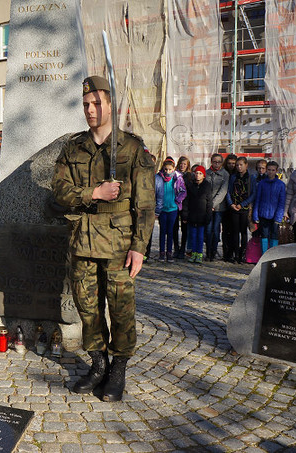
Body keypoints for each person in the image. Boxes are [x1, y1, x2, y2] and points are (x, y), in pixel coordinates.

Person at [52, 75, 155, 402]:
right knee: (88, 308)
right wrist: (92, 193)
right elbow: (59, 191)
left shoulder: (132, 148)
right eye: (86, 104)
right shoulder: (73, 147)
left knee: (122, 309)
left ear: (111, 105)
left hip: (119, 245)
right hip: (82, 241)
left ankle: (118, 369)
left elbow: (147, 204)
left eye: (97, 103)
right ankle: (98, 364)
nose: (90, 109)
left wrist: (139, 248)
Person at [226, 157, 257, 263]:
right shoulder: (233, 177)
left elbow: (253, 194)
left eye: (241, 165)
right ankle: (235, 254)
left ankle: (242, 254)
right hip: (234, 208)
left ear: (246, 165)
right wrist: (231, 204)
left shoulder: (251, 177)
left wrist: (242, 204)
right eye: (237, 165)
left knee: (243, 232)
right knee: (234, 232)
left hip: (244, 208)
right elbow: (229, 191)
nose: (239, 167)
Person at [154, 159, 186, 262]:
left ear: (173, 169)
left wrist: (177, 201)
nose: (168, 172)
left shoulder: (177, 178)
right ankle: (162, 252)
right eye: (166, 169)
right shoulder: (158, 178)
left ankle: (169, 252)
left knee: (171, 231)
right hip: (162, 208)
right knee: (162, 231)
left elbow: (183, 191)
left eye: (170, 169)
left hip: (173, 209)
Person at [253, 161, 286, 254]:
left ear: (276, 171)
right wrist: (255, 214)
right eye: (269, 170)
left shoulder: (281, 185)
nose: (271, 172)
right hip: (263, 214)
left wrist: (279, 217)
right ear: (266, 170)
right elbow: (257, 199)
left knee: (274, 235)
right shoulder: (262, 183)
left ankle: (273, 255)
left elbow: (282, 202)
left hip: (275, 215)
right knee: (264, 235)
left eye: (273, 170)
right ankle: (264, 255)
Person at [183, 165, 212, 264]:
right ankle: (193, 253)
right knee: (192, 235)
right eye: (196, 173)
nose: (198, 175)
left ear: (204, 175)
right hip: (192, 215)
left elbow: (209, 202)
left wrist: (208, 215)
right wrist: (185, 214)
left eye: (200, 173)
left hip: (202, 215)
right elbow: (186, 201)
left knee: (200, 236)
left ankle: (199, 254)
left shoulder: (207, 185)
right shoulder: (190, 185)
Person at [205, 154, 229, 261]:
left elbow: (223, 191)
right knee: (208, 230)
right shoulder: (206, 173)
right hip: (207, 206)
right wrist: (208, 205)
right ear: (211, 162)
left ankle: (214, 251)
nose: (217, 164)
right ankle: (208, 251)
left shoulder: (225, 174)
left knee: (216, 230)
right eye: (215, 162)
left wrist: (212, 205)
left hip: (219, 207)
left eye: (219, 162)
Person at [174, 156, 193, 259]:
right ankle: (176, 248)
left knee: (184, 229)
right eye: (181, 164)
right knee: (174, 227)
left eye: (184, 164)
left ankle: (182, 248)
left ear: (187, 165)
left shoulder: (190, 176)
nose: (182, 166)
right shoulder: (174, 174)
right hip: (175, 204)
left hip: (185, 206)